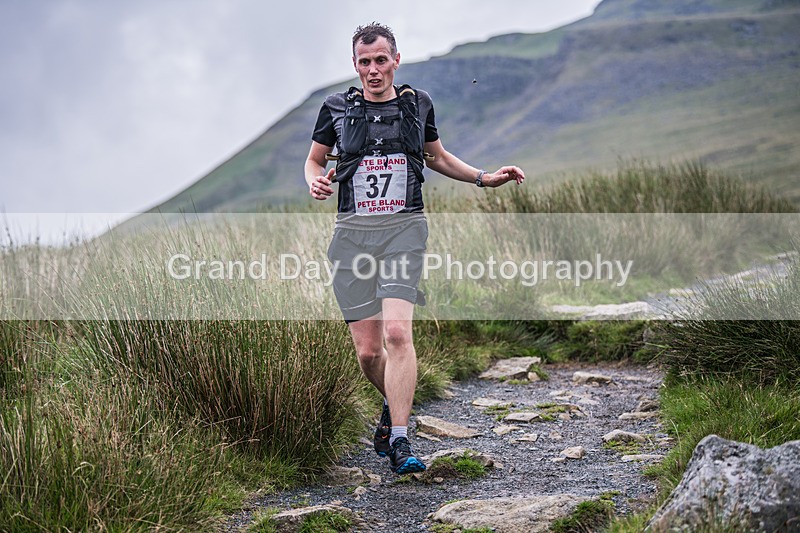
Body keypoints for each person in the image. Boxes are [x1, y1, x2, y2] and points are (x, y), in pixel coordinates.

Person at [304, 22, 525, 475]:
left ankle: (401, 439)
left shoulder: (416, 104)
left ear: (396, 60)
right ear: (355, 65)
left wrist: (485, 178)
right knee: (368, 353)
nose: (373, 70)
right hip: (351, 236)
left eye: (380, 60)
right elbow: (313, 161)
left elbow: (437, 157)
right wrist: (316, 182)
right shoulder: (336, 109)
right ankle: (394, 401)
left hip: (404, 230)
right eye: (364, 62)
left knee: (398, 335)